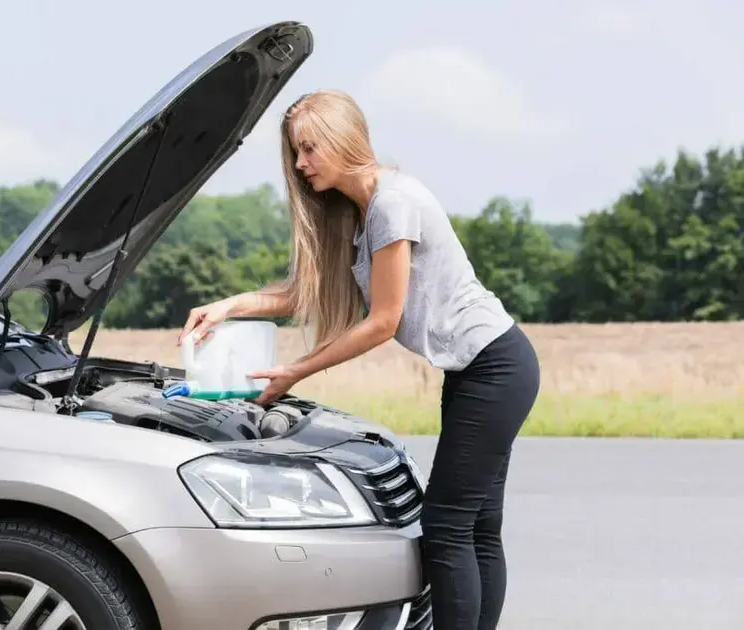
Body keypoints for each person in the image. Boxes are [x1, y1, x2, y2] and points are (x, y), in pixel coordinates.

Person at [178, 89, 540, 630]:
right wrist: (228, 306)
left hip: (496, 365)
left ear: (341, 139)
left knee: (446, 527)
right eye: (295, 153)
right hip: (475, 370)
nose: (300, 166)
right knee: (475, 526)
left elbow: (382, 321)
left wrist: (297, 370)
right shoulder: (361, 210)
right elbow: (306, 292)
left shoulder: (393, 202)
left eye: (308, 149)